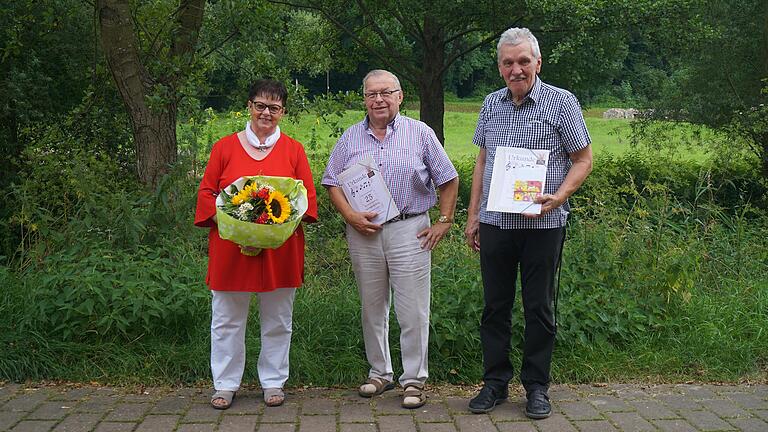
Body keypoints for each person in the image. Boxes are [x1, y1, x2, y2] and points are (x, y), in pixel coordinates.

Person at [464, 28, 593, 418]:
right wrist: (473, 217)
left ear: (537, 62)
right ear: (500, 67)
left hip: (544, 224)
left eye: (523, 61)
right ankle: (494, 383)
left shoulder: (562, 103)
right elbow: (483, 162)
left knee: (539, 308)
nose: (516, 69)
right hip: (496, 223)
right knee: (494, 307)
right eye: (508, 62)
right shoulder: (491, 104)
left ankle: (537, 386)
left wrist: (560, 197)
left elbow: (583, 159)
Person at [322, 70, 459, 409]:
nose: (378, 100)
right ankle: (379, 373)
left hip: (409, 228)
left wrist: (444, 220)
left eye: (386, 93)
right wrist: (349, 216)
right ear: (364, 99)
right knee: (372, 307)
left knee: (412, 310)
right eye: (371, 94)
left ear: (400, 96)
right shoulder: (350, 138)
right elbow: (331, 182)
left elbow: (449, 178)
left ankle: (413, 380)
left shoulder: (420, 133)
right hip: (364, 232)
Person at [194, 79, 318, 410]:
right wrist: (231, 222)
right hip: (230, 249)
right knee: (226, 318)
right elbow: (207, 193)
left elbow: (307, 196)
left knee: (279, 319)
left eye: (274, 108)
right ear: (249, 106)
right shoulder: (224, 148)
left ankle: (273, 381)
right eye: (260, 105)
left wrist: (283, 224)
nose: (266, 113)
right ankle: (225, 383)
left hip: (280, 250)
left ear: (283, 112)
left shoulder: (294, 150)